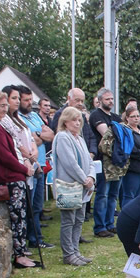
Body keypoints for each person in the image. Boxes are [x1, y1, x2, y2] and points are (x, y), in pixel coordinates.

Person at [0, 90, 36, 268]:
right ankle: (19, 255)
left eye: (5, 105)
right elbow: (5, 156)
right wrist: (24, 169)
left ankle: (21, 249)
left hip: (11, 175)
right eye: (1, 106)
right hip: (8, 177)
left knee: (20, 215)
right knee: (17, 216)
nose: (5, 109)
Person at [52, 107, 96, 266]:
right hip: (69, 186)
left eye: (79, 120)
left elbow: (89, 161)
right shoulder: (63, 137)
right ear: (65, 121)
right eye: (74, 120)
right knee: (68, 220)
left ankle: (75, 251)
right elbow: (70, 163)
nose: (78, 123)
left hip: (83, 186)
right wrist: (85, 179)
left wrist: (91, 177)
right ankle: (68, 254)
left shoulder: (80, 138)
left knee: (78, 219)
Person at [17, 85, 55, 249]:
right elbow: (26, 140)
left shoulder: (34, 115)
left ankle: (37, 237)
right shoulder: (17, 118)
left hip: (40, 165)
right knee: (30, 206)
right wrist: (39, 136)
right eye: (25, 100)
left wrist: (36, 136)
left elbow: (50, 134)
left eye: (30, 100)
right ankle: (33, 239)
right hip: (30, 166)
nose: (29, 103)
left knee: (38, 206)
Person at [89, 88, 122, 238]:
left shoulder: (115, 117)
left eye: (112, 99)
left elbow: (124, 133)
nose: (110, 101)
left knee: (113, 194)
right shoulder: (96, 115)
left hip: (117, 159)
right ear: (100, 100)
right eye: (107, 99)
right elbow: (107, 134)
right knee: (103, 194)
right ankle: (100, 226)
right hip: (103, 159)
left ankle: (110, 223)